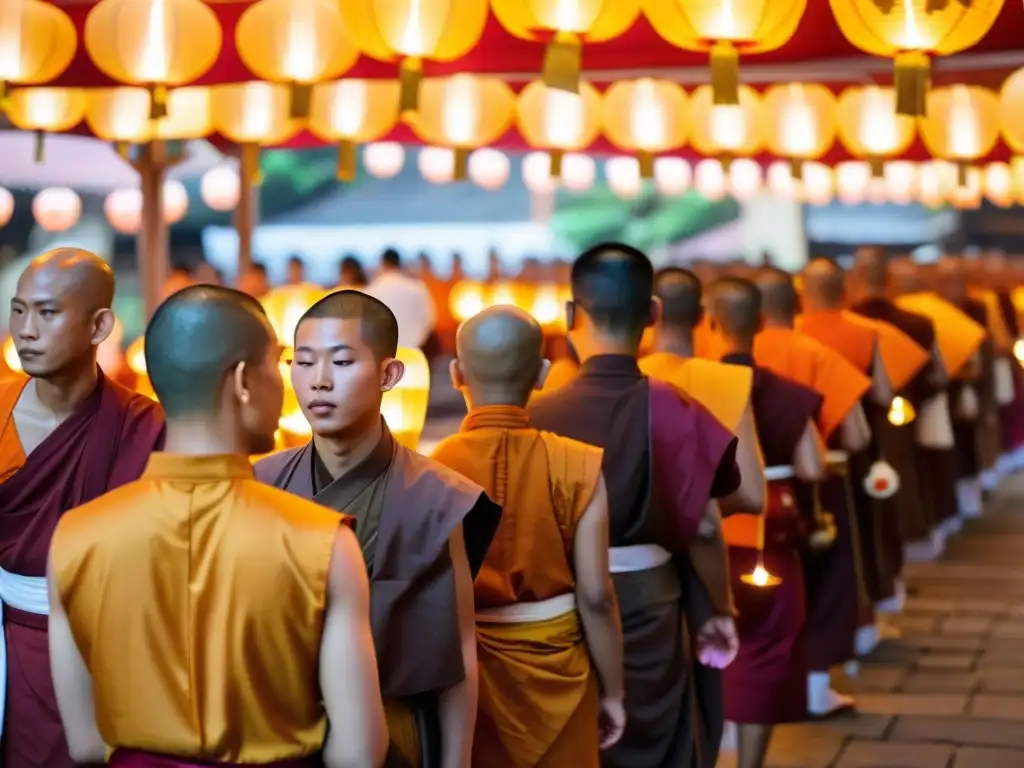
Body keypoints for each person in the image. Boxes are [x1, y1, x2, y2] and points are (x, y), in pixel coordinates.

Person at [48, 285, 387, 768]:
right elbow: (358, 756)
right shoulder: (323, 541)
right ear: (244, 379)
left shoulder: (75, 537)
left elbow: (84, 744)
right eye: (279, 363)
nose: (289, 382)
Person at [255, 290, 502, 768]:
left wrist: (457, 762)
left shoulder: (437, 497)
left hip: (398, 731)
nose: (319, 382)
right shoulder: (261, 482)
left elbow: (458, 649)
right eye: (302, 363)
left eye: (342, 362)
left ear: (389, 374)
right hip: (281, 737)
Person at [527, 243, 742, 768]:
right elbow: (708, 530)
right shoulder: (677, 407)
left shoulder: (535, 413)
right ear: (652, 313)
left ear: (571, 315)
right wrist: (721, 609)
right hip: (651, 606)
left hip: (556, 618)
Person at [430, 306, 625, 767]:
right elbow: (596, 597)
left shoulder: (432, 468)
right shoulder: (578, 464)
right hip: (561, 672)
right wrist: (614, 690)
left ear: (457, 373)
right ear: (542, 374)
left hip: (465, 679)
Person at [1, 248, 166, 768]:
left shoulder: (147, 426)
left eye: (47, 313)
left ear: (100, 326)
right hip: (5, 641)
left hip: (109, 653)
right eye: (18, 310)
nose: (26, 330)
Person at [704, 277, 825, 768]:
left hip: (706, 528)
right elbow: (814, 466)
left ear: (709, 323)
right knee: (768, 648)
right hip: (768, 532)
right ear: (760, 323)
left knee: (702, 648)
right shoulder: (783, 390)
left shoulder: (692, 386)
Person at [851, 248, 954, 560]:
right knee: (908, 471)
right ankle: (912, 533)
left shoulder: (847, 323)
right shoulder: (918, 323)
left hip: (853, 415)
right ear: (889, 279)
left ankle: (875, 546)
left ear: (854, 278)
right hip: (907, 412)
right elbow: (939, 373)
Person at [640, 267, 766, 515]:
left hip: (645, 541)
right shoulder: (729, 380)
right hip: (718, 543)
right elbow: (752, 497)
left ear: (650, 313)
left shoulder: (632, 378)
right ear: (701, 317)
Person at [364, 248, 437, 350]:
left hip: (382, 352)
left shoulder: (370, 291)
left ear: (382, 263)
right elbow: (430, 320)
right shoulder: (417, 288)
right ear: (399, 264)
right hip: (414, 353)